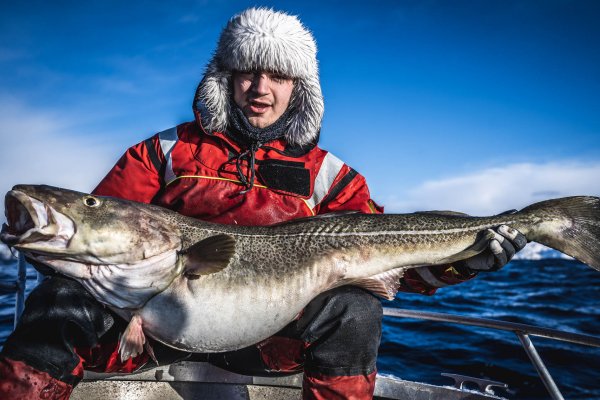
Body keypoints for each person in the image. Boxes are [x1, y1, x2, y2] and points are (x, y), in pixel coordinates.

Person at [0, 8, 526, 400]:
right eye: (247, 71)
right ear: (224, 77)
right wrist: (51, 245)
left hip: (275, 340)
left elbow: (396, 271)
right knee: (57, 300)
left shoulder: (330, 177)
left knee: (355, 308)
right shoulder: (161, 151)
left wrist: (461, 262)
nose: (259, 87)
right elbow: (102, 227)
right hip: (145, 335)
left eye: (277, 74)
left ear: (299, 87)